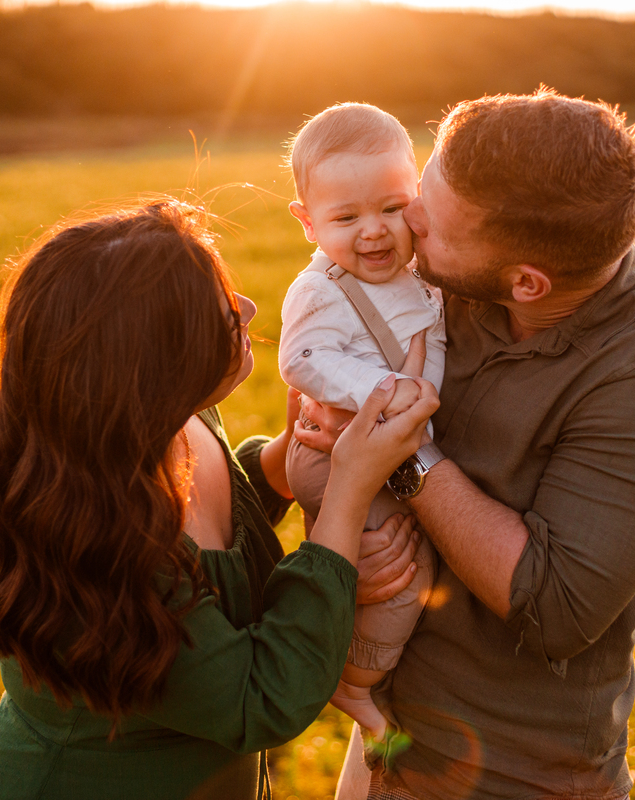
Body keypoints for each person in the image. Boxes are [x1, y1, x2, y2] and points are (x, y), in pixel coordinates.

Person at [0, 199, 438, 799]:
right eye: (221, 313)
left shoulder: (180, 424)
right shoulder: (102, 549)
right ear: (153, 371)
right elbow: (260, 698)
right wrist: (347, 498)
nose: (248, 309)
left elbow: (217, 511)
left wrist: (288, 455)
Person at [297, 90, 635, 800]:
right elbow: (317, 409)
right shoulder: (443, 278)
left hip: (513, 776)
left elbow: (553, 608)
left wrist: (406, 458)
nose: (408, 222)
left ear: (526, 282)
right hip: (386, 745)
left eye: (428, 218)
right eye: (419, 189)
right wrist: (346, 543)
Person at [279, 103, 445, 740]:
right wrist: (385, 390)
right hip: (336, 454)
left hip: (386, 447)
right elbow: (303, 359)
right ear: (308, 222)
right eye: (346, 218)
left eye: (392, 208)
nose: (373, 232)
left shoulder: (414, 279)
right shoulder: (320, 289)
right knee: (402, 575)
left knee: (413, 561)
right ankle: (354, 680)